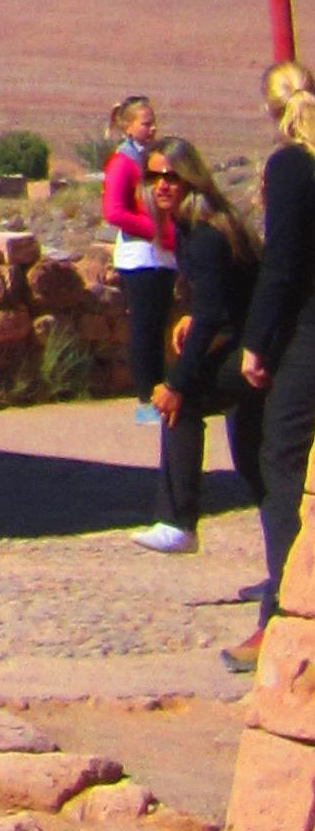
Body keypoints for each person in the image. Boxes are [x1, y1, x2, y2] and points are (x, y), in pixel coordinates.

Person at [137, 141, 261, 555]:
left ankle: (178, 521)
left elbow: (213, 317)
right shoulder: (193, 228)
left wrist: (176, 382)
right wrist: (194, 314)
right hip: (251, 341)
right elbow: (219, 299)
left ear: (191, 179)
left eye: (171, 177)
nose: (162, 186)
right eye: (154, 177)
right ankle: (287, 575)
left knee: (182, 403)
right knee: (258, 466)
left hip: (260, 349)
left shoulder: (205, 234)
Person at [241, 62, 315, 628]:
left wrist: (257, 343)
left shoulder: (292, 166)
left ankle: (285, 614)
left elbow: (284, 264)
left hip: (307, 334)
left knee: (280, 460)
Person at [102, 94, 178, 516]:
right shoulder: (123, 164)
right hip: (141, 256)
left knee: (157, 326)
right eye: (145, 123)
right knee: (145, 328)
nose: (152, 128)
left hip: (161, 256)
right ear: (128, 126)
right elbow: (114, 211)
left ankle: (159, 391)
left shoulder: (151, 161)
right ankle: (145, 398)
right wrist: (156, 232)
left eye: (154, 121)